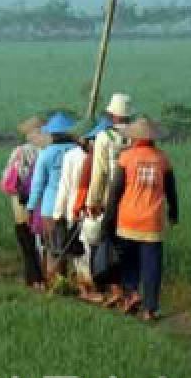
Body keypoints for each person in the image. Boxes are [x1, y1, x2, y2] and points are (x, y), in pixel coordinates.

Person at [105, 117, 178, 320]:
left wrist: (109, 218)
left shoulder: (126, 158)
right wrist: (174, 213)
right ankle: (150, 308)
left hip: (128, 220)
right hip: (152, 222)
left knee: (129, 261)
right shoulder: (163, 159)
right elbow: (171, 191)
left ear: (134, 138)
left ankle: (132, 292)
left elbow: (115, 192)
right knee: (152, 265)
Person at [55, 117, 109, 302]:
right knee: (83, 253)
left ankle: (90, 287)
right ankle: (86, 289)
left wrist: (58, 212)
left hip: (84, 210)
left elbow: (65, 186)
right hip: (82, 211)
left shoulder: (76, 157)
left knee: (87, 252)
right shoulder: (90, 157)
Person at [28, 112, 77, 288]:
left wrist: (31, 207)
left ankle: (54, 282)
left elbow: (38, 184)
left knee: (52, 248)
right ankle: (65, 281)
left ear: (52, 134)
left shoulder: (46, 154)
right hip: (73, 206)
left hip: (50, 208)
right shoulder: (77, 151)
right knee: (71, 247)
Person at [1, 116, 45, 289]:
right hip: (43, 202)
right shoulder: (46, 149)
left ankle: (33, 279)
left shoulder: (20, 151)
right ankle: (44, 278)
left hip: (22, 201)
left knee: (26, 241)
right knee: (42, 242)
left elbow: (9, 179)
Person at [85, 93, 133, 216]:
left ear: (112, 115)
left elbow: (99, 172)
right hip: (133, 198)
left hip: (110, 197)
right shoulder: (137, 137)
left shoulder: (104, 137)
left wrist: (93, 201)